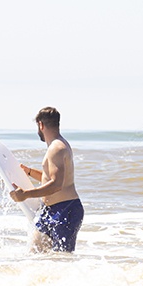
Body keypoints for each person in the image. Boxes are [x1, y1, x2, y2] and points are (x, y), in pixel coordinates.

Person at [9, 107, 84, 253]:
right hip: (50, 211)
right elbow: (49, 178)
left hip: (65, 210)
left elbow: (56, 184)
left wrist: (26, 194)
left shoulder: (57, 148)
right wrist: (29, 172)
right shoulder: (57, 146)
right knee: (34, 254)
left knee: (61, 261)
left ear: (41, 125)